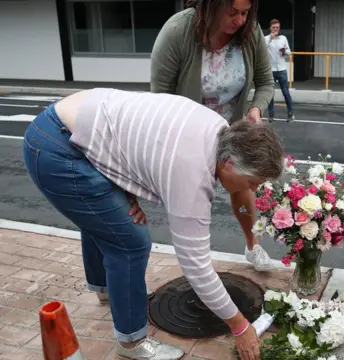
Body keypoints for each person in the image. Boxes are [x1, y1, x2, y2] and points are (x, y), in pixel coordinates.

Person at [22, 88, 284, 360]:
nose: (253, 189)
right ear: (230, 163)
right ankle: (132, 342)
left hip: (73, 126)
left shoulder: (218, 130)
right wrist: (240, 327)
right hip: (57, 149)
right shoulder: (192, 175)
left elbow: (139, 144)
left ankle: (107, 290)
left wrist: (124, 188)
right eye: (254, 182)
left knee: (105, 220)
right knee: (129, 243)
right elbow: (196, 266)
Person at [150, 0, 276, 272]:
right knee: (196, 198)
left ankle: (252, 244)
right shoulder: (177, 32)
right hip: (190, 135)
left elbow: (266, 82)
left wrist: (255, 108)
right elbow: (160, 96)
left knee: (242, 191)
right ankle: (198, 260)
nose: (240, 20)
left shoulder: (249, 33)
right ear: (211, 5)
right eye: (232, 12)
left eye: (245, 13)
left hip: (232, 133)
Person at [265, 18, 295, 122]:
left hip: (282, 70)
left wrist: (284, 51)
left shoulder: (283, 38)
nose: (275, 29)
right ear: (270, 28)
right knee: (270, 94)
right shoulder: (266, 39)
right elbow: (263, 50)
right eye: (273, 27)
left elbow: (289, 52)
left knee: (286, 93)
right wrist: (270, 39)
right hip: (271, 70)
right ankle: (271, 115)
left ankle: (290, 114)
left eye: (277, 27)